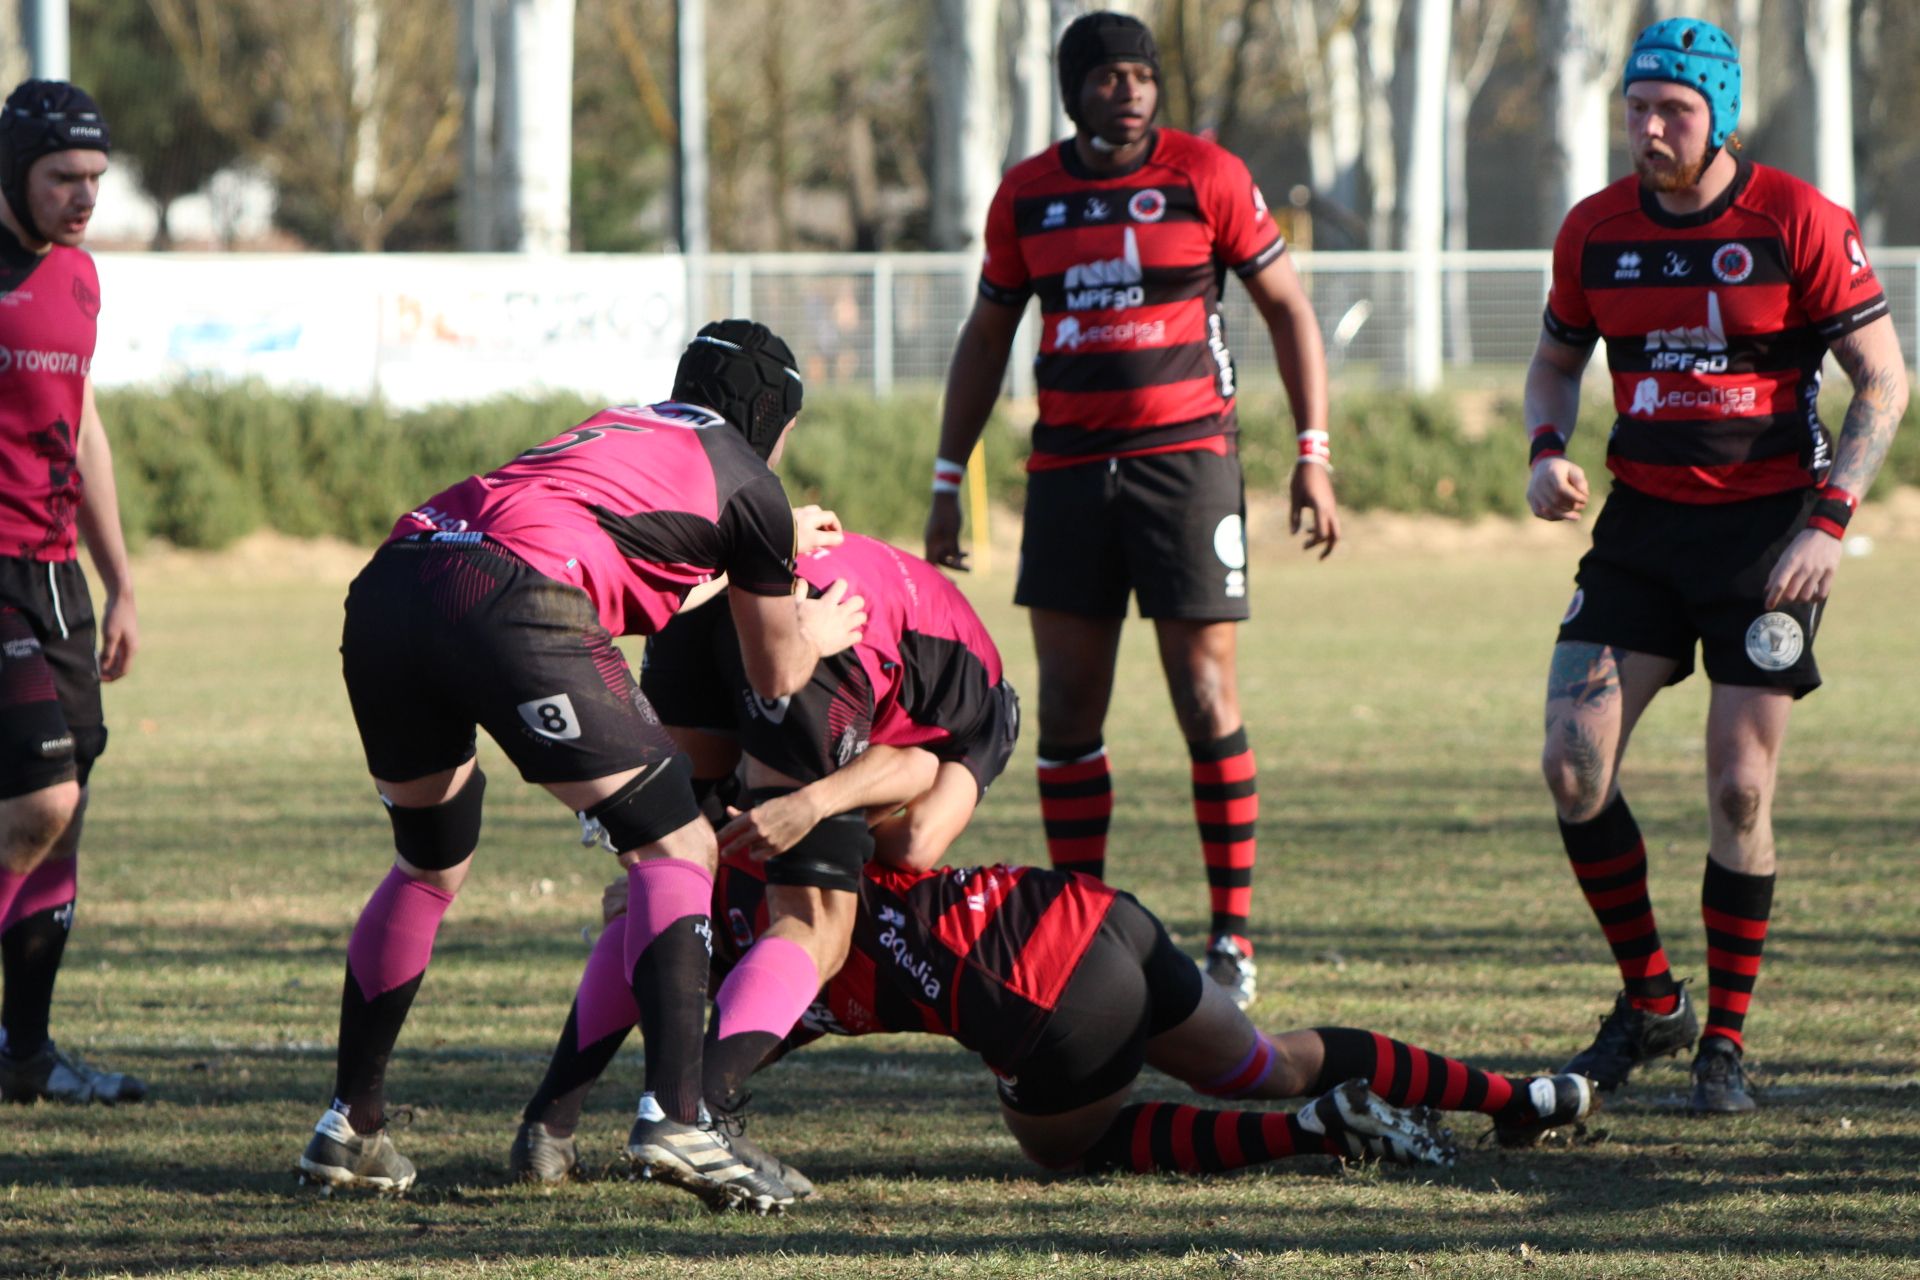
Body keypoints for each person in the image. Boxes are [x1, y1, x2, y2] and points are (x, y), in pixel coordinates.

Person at [295, 321, 868, 1204]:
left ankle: (351, 1127)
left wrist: (762, 543)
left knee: (428, 862)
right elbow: (776, 671)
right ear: (771, 417)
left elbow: (640, 557)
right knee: (678, 846)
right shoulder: (754, 479)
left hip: (394, 584)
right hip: (512, 597)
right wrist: (817, 625)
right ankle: (680, 1120)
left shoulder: (620, 427)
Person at [1525, 18, 1906, 1114]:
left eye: (1674, 112)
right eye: (1636, 108)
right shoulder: (1594, 230)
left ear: (1720, 114)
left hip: (1766, 541)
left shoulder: (1795, 218)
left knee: (1742, 785)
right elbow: (1555, 362)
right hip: (1641, 530)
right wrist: (1546, 450)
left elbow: (1882, 377)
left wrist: (1828, 521)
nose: (1649, 129)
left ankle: (1724, 1042)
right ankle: (1652, 1000)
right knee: (1571, 761)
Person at [923, 11, 1340, 1008]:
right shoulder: (1028, 194)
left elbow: (1287, 307)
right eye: (1109, 77)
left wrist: (1312, 454)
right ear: (1073, 92)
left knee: (1206, 700)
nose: (1132, 92)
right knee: (1068, 708)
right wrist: (947, 478)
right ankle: (1081, 925)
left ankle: (1231, 938)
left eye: (1143, 76)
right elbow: (986, 339)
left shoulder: (1209, 175)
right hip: (1068, 473)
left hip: (1188, 468)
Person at [509, 852, 1599, 1198]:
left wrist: (563, 1109)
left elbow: (689, 1059)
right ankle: (1530, 1096)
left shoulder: (763, 949)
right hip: (1091, 911)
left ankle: (1313, 1131)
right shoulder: (792, 846)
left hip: (1047, 990)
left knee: (1065, 1147)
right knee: (1266, 1057)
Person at [583, 531, 1017, 1210]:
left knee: (671, 881)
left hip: (706, 603)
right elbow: (919, 842)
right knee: (815, 922)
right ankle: (696, 1115)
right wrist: (816, 810)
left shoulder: (937, 639)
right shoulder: (992, 715)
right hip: (816, 630)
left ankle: (546, 1128)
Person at [0, 80, 143, 1106]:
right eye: (63, 178)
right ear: (14, 171)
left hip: (58, 580)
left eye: (95, 178)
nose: (84, 196)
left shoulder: (83, 277)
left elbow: (82, 426)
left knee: (68, 806)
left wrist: (122, 578)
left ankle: (30, 1053)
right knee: (39, 796)